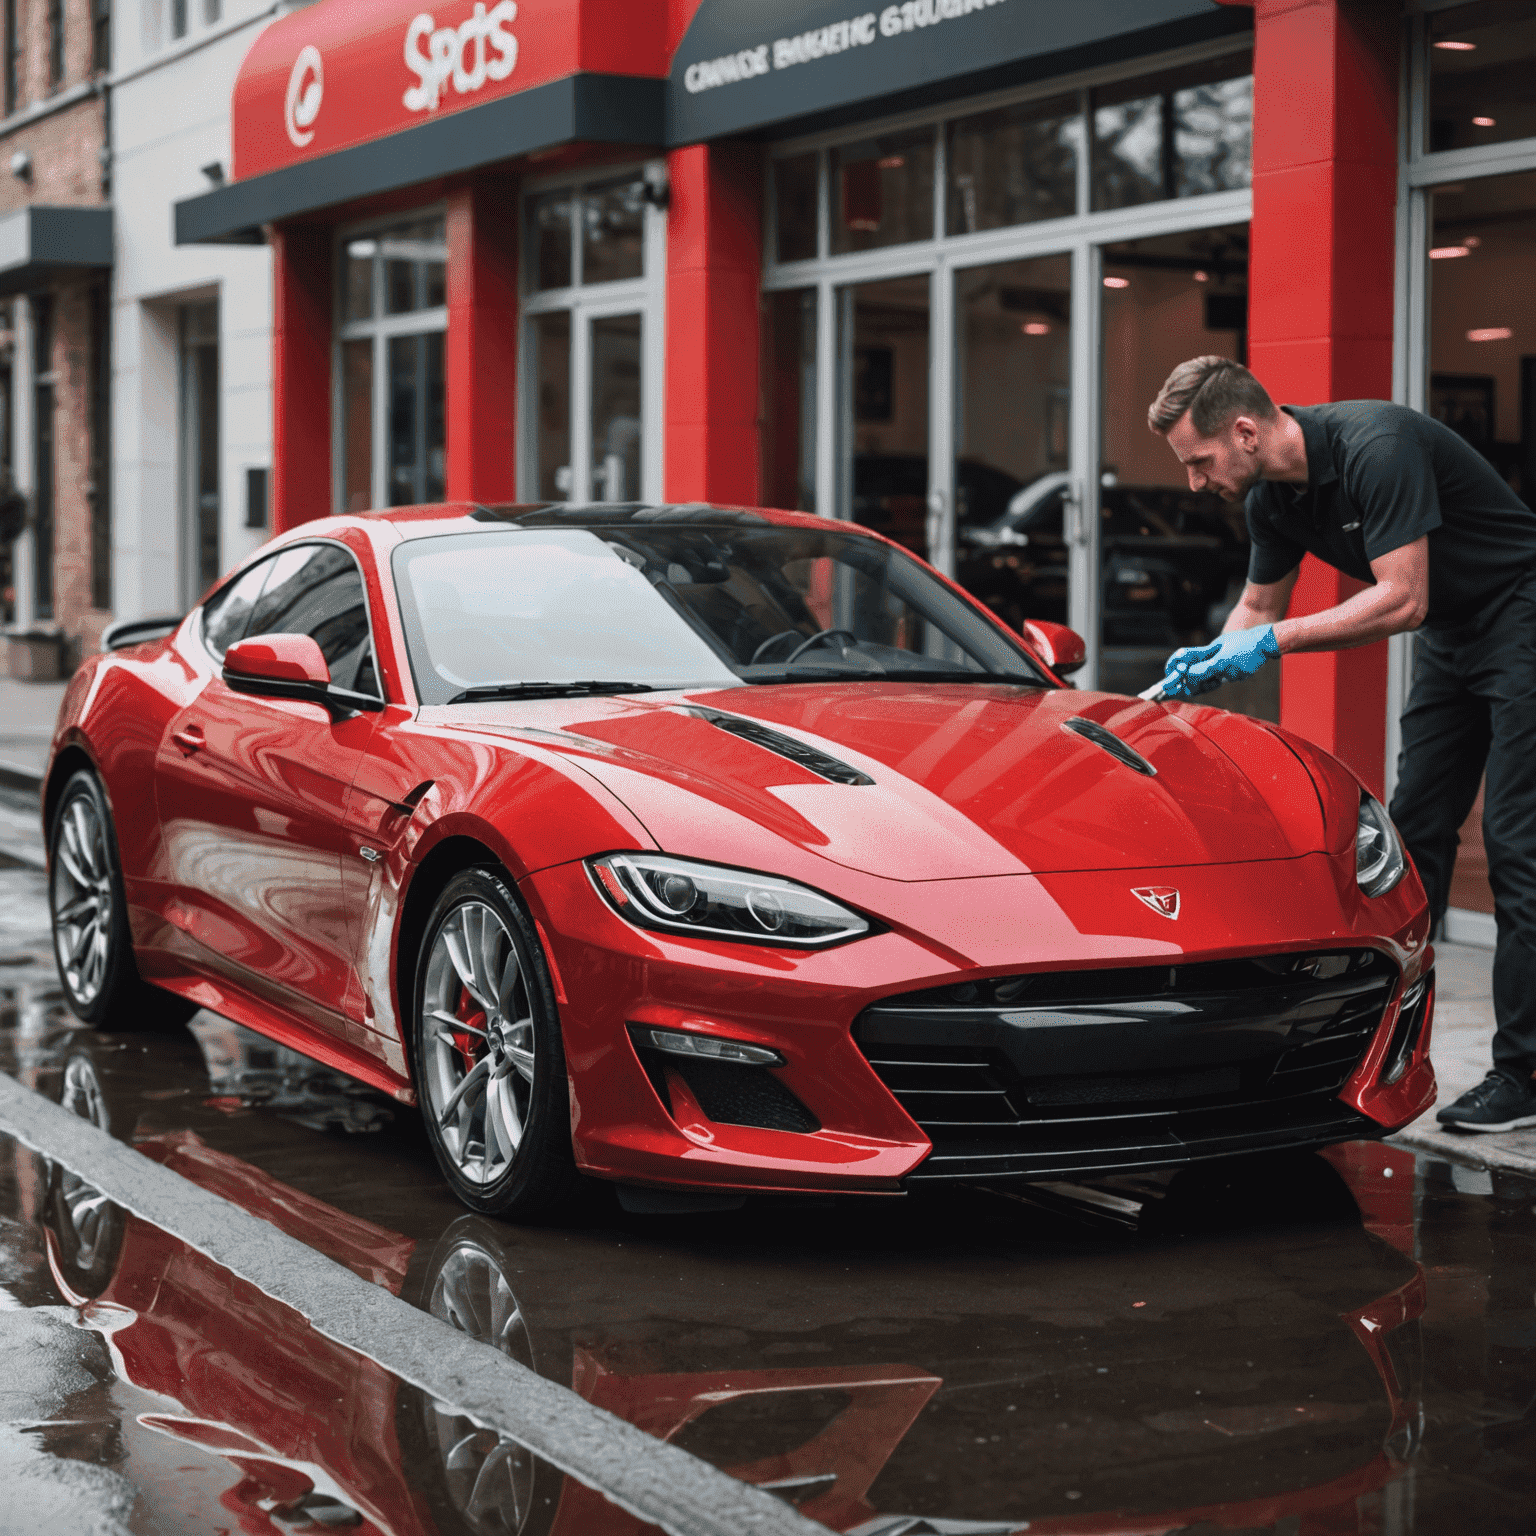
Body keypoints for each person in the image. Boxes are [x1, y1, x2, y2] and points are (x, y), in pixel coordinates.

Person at [1146, 355, 1536, 1134]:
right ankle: (1375, 1054)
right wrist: (1194, 674)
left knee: (1516, 844)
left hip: (1521, 608)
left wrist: (1273, 642)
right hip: (1453, 634)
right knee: (1413, 835)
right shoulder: (1271, 503)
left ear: (1246, 431)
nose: (1194, 483)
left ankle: (1524, 1074)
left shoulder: (1375, 446)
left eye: (1199, 460)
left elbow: (1403, 595)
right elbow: (1257, 607)